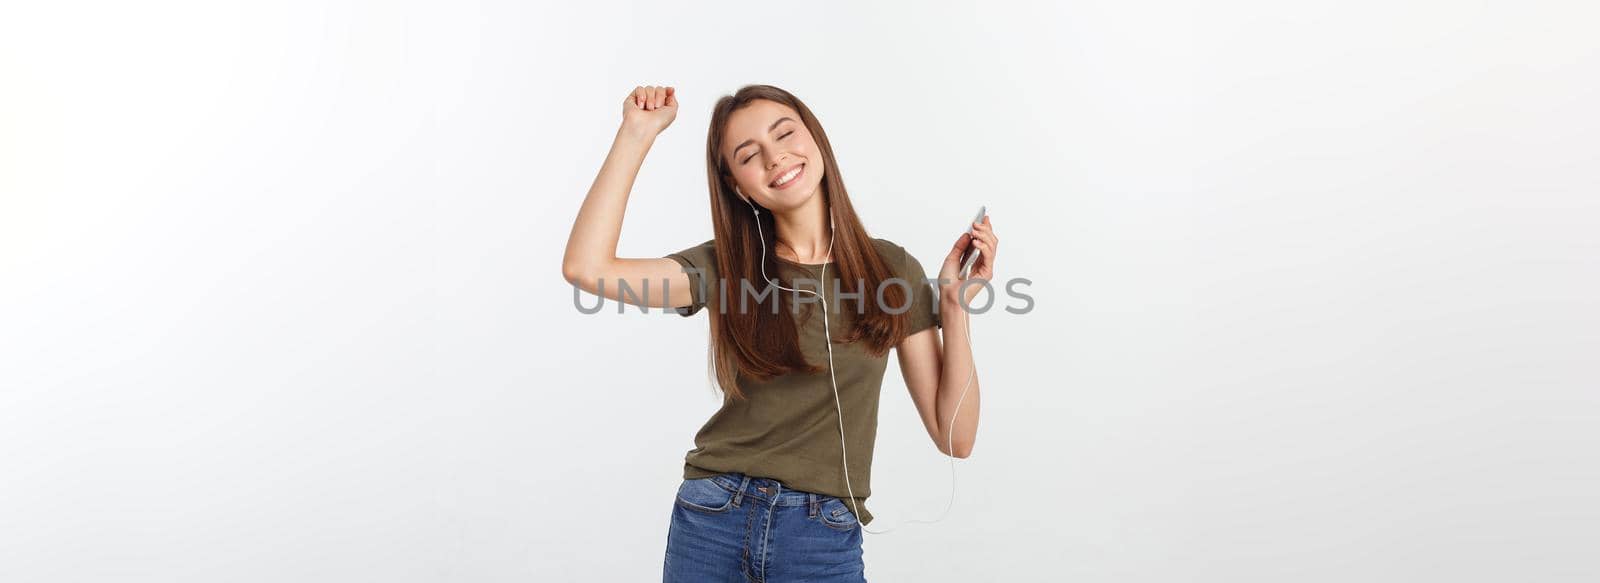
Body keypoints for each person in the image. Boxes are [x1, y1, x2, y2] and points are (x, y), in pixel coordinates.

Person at [561, 84, 999, 582]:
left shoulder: (889, 271)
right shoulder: (726, 268)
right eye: (750, 156)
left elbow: (955, 436)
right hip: (712, 519)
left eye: (785, 133)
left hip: (821, 536)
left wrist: (953, 306)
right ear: (738, 186)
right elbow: (586, 267)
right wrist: (636, 134)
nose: (775, 158)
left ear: (815, 138)